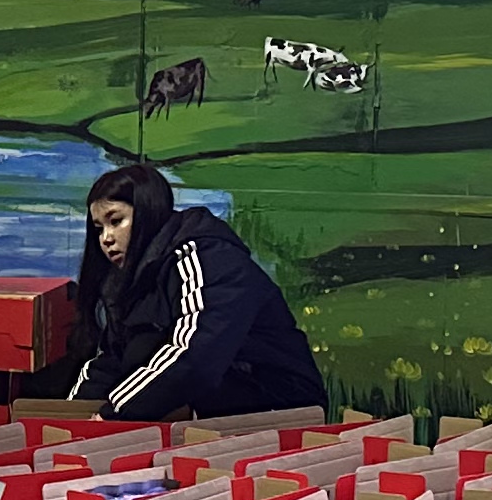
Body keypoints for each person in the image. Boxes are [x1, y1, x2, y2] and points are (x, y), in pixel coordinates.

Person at [64, 161, 326, 420]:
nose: (106, 238)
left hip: (279, 411)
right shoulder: (127, 281)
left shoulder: (207, 257)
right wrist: (66, 418)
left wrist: (111, 416)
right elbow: (110, 362)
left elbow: (194, 356)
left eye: (116, 221)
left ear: (147, 213)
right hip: (214, 412)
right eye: (99, 228)